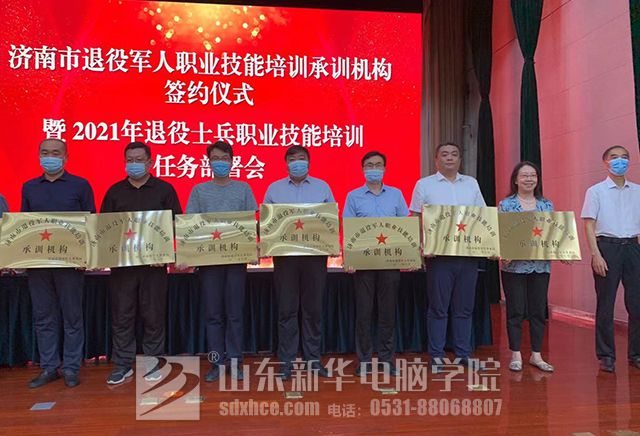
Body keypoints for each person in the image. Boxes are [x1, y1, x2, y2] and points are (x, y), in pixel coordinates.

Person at [101, 141, 182, 385]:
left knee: (153, 316)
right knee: (122, 316)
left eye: (139, 160)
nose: (134, 164)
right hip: (122, 268)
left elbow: (176, 225)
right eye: (130, 160)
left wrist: (164, 253)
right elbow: (104, 230)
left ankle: (153, 364)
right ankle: (122, 365)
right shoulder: (114, 191)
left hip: (154, 268)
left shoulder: (164, 189)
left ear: (150, 162)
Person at [22, 138, 96, 388]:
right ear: (38, 155)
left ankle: (71, 368)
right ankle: (49, 367)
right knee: (44, 317)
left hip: (70, 265)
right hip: (38, 264)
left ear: (66, 157)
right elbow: (23, 226)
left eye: (55, 153)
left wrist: (87, 256)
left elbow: (91, 223)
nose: (49, 157)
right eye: (45, 152)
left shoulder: (80, 185)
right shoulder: (29, 187)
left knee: (72, 317)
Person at [409, 142, 487, 370]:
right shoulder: (424, 185)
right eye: (444, 154)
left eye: (454, 154)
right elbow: (415, 218)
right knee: (438, 308)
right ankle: (436, 355)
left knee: (464, 308)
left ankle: (463, 353)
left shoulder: (471, 183)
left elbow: (482, 217)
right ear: (436, 160)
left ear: (460, 159)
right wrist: (419, 248)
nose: (449, 158)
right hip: (438, 257)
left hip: (467, 255)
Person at [186, 140, 258, 382]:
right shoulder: (199, 190)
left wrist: (252, 249)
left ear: (232, 161)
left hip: (236, 260)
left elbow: (251, 223)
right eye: (215, 158)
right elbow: (191, 225)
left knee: (235, 313)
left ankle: (235, 362)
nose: (220, 162)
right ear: (208, 162)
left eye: (224, 158)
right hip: (209, 262)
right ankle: (216, 363)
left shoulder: (244, 189)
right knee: (213, 315)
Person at [263, 145, 334, 380]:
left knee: (313, 310)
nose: (297, 162)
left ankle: (313, 359)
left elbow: (331, 222)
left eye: (301, 158)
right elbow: (267, 224)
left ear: (309, 162)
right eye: (292, 159)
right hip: (285, 259)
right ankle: (287, 362)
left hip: (315, 257)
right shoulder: (274, 189)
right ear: (286, 163)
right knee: (286, 310)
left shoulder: (323, 187)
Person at [343, 151, 409, 376]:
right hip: (363, 264)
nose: (374, 168)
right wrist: (349, 258)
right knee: (363, 314)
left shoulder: (396, 194)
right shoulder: (353, 196)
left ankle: (386, 359)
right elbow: (349, 230)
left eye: (378, 165)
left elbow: (405, 228)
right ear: (363, 169)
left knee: (387, 314)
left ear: (385, 169)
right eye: (369, 165)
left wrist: (409, 256)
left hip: (390, 262)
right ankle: (363, 360)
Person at [581, 145, 640, 373]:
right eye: (614, 157)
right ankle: (606, 355)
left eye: (624, 157)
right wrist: (595, 254)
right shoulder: (595, 191)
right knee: (605, 304)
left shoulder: (637, 191)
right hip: (607, 247)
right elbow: (589, 224)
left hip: (633, 248)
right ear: (605, 162)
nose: (620, 161)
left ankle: (636, 353)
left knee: (636, 303)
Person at [499, 161, 560, 373]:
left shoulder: (546, 205)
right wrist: (503, 252)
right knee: (515, 311)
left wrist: (564, 251)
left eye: (533, 175)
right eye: (524, 175)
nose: (529, 179)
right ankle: (516, 354)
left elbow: (553, 234)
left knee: (537, 311)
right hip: (513, 267)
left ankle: (536, 354)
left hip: (540, 267)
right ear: (515, 180)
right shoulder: (506, 205)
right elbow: (501, 234)